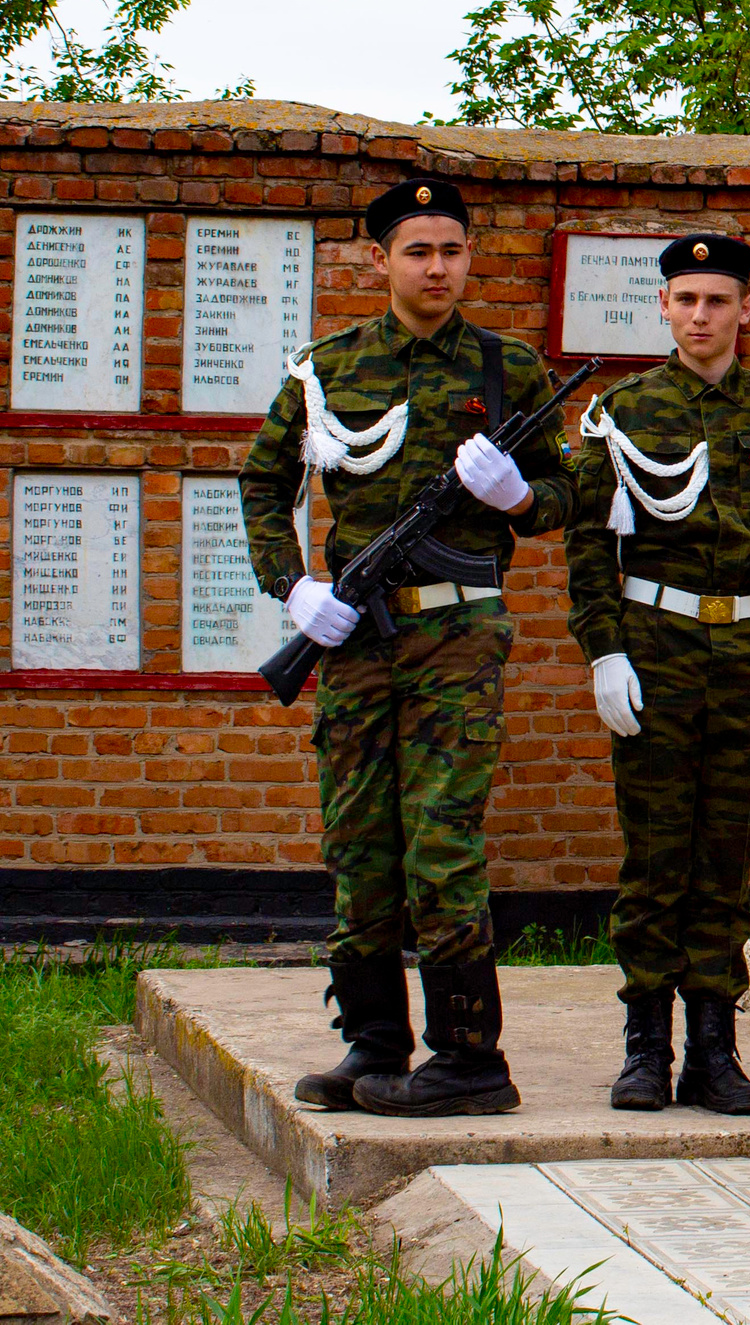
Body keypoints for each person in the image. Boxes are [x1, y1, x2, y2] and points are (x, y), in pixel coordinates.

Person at [240, 177, 574, 1118]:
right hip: (353, 634)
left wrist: (516, 497)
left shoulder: (508, 368)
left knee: (440, 840)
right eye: (418, 250)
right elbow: (262, 483)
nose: (437, 267)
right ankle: (374, 1045)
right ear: (377, 259)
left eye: (453, 250)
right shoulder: (328, 368)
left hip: (458, 632)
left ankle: (470, 1057)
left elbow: (569, 496)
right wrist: (296, 585)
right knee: (359, 841)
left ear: (471, 258)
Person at [567, 233, 750, 1116]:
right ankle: (646, 1046)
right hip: (657, 651)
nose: (700, 316)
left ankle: (714, 1050)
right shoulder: (624, 412)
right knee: (655, 855)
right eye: (686, 299)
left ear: (746, 310)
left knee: (723, 856)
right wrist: (604, 652)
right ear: (664, 307)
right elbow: (589, 547)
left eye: (718, 300)